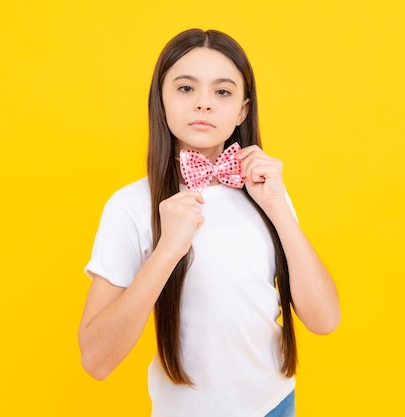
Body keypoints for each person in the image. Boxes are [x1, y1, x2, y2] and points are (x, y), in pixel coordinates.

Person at [78, 28, 340, 417]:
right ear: (160, 101)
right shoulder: (130, 206)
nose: (203, 104)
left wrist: (278, 209)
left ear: (243, 110)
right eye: (185, 89)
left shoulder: (267, 192)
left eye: (222, 92)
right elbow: (96, 360)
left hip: (275, 405)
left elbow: (324, 320)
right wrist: (168, 249)